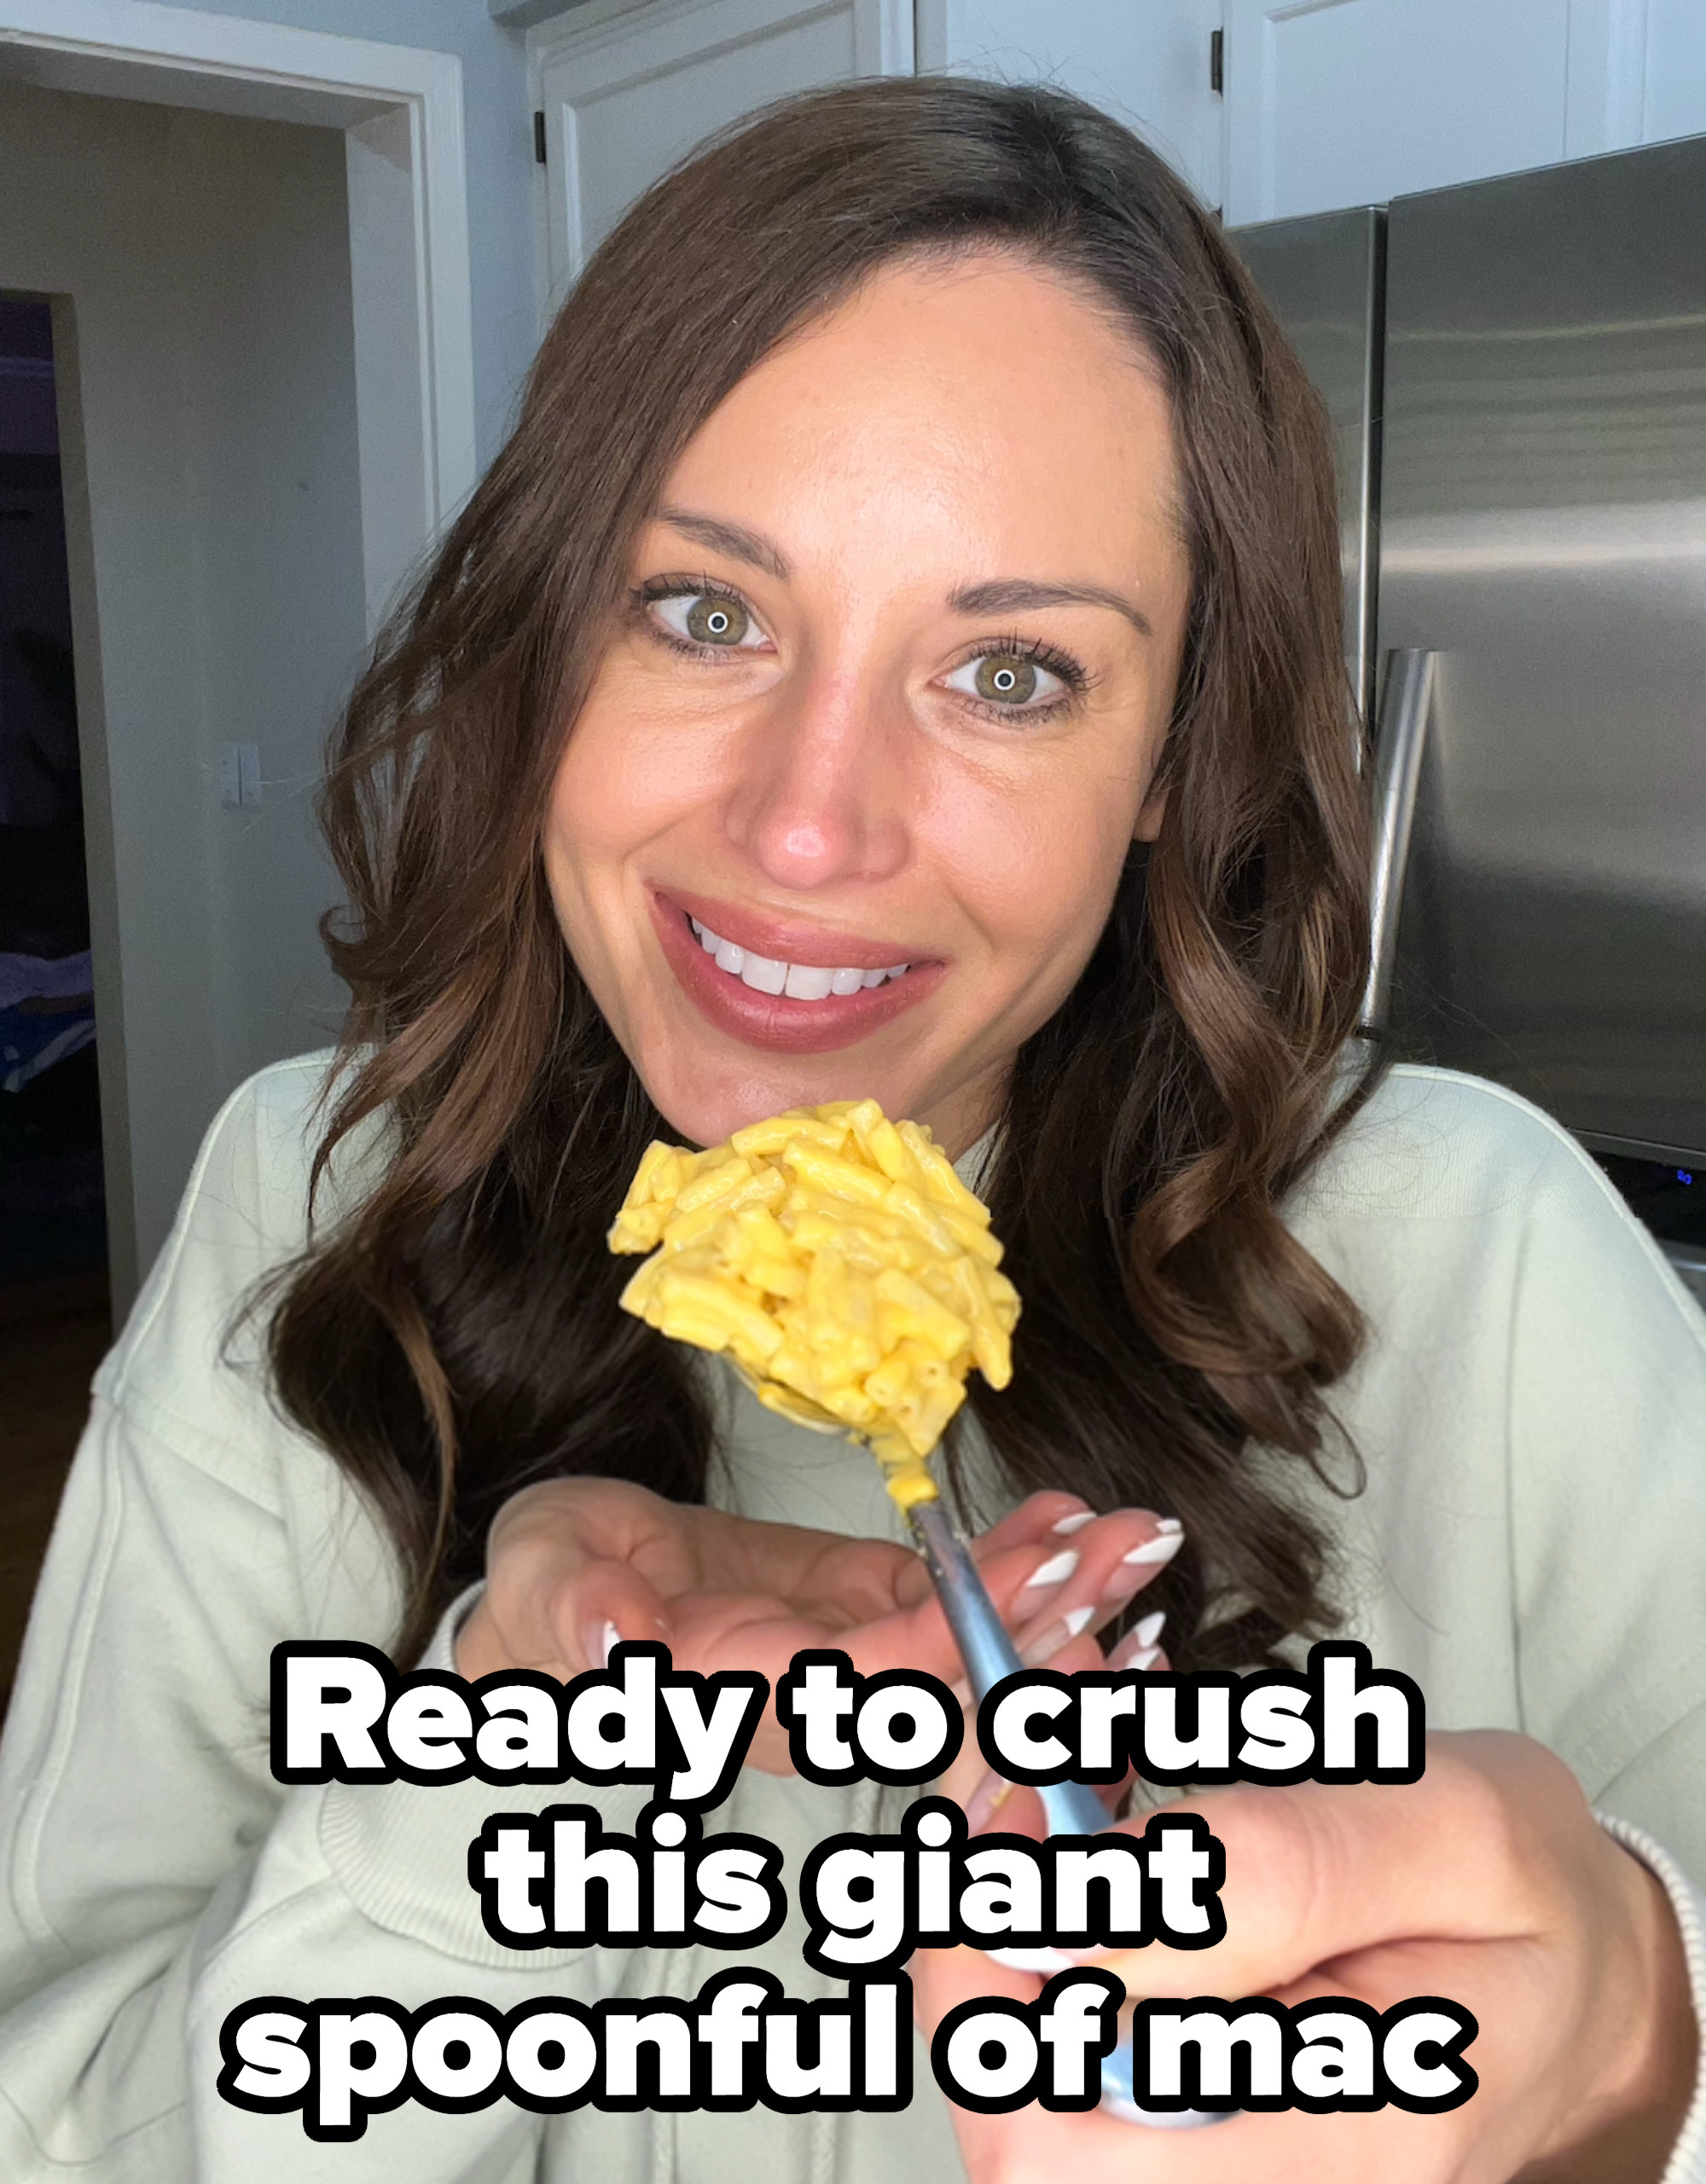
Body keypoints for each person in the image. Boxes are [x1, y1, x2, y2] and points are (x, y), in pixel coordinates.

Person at [0, 75, 1701, 2184]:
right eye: (702, 612)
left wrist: (1644, 2050)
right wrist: (485, 1787)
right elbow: (52, 2128)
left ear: (1171, 759)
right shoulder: (320, 1196)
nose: (807, 826)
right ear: (549, 643)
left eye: (1007, 674)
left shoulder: (1475, 1249)